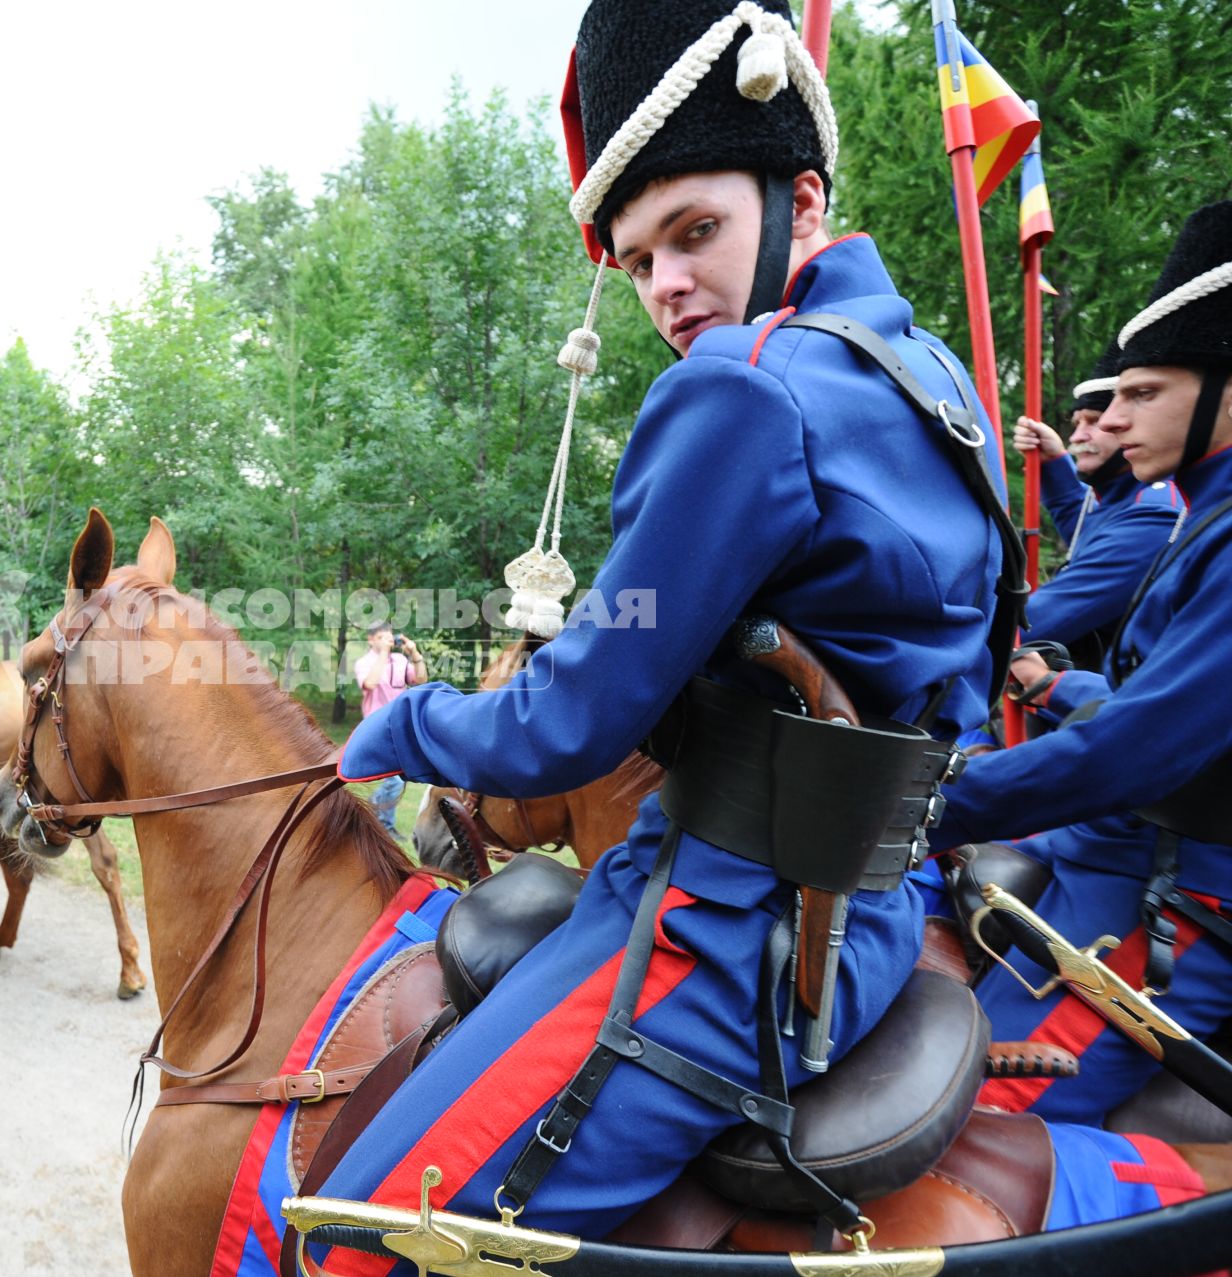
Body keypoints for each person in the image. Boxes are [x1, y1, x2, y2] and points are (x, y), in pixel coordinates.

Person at [307, 1, 1206, 1260]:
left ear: (804, 199)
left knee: (356, 1236)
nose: (669, 286)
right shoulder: (940, 380)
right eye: (636, 261)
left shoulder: (742, 390)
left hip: (722, 947)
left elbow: (569, 717)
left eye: (696, 232)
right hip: (880, 922)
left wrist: (404, 722)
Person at [930, 200, 1232, 1126]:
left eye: (1145, 393)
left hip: (1173, 901)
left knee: (967, 1120)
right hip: (1107, 850)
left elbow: (1135, 750)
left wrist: (924, 803)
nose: (1114, 413)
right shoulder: (1201, 514)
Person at [1010, 348, 1181, 668]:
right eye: (1076, 423)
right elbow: (1087, 524)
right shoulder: (1121, 498)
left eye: (1094, 422)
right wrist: (1053, 463)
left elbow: (1036, 622)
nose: (1077, 436)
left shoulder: (1155, 517)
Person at [351, 622, 424, 834]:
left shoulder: (401, 660)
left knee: (399, 777)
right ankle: (384, 825)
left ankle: (373, 807)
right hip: (377, 726)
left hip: (400, 725)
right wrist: (383, 654)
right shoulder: (364, 663)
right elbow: (371, 683)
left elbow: (421, 679)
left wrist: (415, 653)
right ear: (371, 640)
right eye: (382, 637)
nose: (388, 641)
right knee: (394, 780)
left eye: (389, 637)